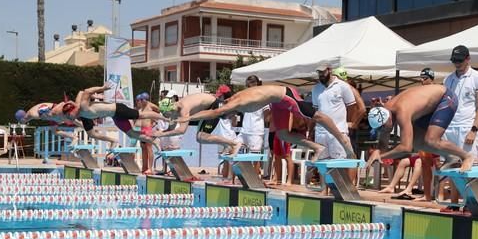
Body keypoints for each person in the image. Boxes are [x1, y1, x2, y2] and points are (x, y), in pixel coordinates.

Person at [173, 84, 356, 161]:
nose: (228, 117)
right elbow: (215, 111)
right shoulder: (234, 101)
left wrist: (187, 118)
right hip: (276, 102)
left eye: (227, 115)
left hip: (285, 95)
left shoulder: (235, 103)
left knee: (317, 116)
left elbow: (213, 112)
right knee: (283, 134)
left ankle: (343, 140)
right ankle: (317, 148)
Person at [365, 84, 474, 171]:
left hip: (445, 98)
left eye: (382, 127)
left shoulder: (402, 112)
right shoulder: (385, 113)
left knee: (432, 140)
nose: (383, 131)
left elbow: (405, 148)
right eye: (379, 129)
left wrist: (382, 156)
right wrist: (377, 151)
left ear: (388, 119)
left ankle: (466, 156)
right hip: (427, 108)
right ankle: (451, 157)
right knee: (417, 142)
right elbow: (383, 143)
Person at [441, 45, 478, 210]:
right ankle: (454, 203)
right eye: (455, 61)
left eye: (460, 60)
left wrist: (474, 130)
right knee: (453, 168)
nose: (457, 64)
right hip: (450, 127)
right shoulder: (448, 79)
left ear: (468, 59)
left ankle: (470, 204)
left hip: (467, 125)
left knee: (468, 168)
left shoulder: (477, 77)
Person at [54, 83, 164, 147]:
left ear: (73, 110)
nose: (69, 118)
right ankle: (153, 141)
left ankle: (165, 118)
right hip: (114, 116)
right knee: (131, 134)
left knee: (141, 115)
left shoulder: (83, 106)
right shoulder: (80, 114)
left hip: (118, 109)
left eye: (69, 115)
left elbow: (86, 91)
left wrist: (102, 88)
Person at [156, 85, 243, 155]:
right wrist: (160, 133)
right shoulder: (175, 108)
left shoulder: (184, 108)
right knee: (200, 138)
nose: (169, 117)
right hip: (208, 108)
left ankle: (233, 144)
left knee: (201, 137)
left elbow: (182, 130)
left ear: (171, 109)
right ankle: (228, 144)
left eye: (168, 114)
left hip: (213, 107)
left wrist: (162, 134)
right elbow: (171, 128)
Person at [134, 92, 159, 174]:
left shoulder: (150, 105)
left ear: (146, 99)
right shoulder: (142, 107)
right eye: (139, 100)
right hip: (142, 129)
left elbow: (159, 110)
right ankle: (145, 167)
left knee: (149, 149)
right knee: (143, 148)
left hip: (148, 129)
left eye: (141, 100)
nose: (140, 101)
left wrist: (154, 120)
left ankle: (150, 168)